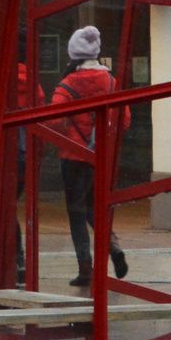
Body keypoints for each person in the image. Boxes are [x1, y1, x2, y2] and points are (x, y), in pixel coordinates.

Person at [50, 26, 128, 288]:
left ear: (74, 54)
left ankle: (85, 269)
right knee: (96, 208)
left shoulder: (68, 83)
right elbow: (124, 119)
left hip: (73, 157)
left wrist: (71, 131)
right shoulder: (112, 82)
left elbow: (53, 120)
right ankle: (113, 246)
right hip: (101, 157)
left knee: (76, 212)